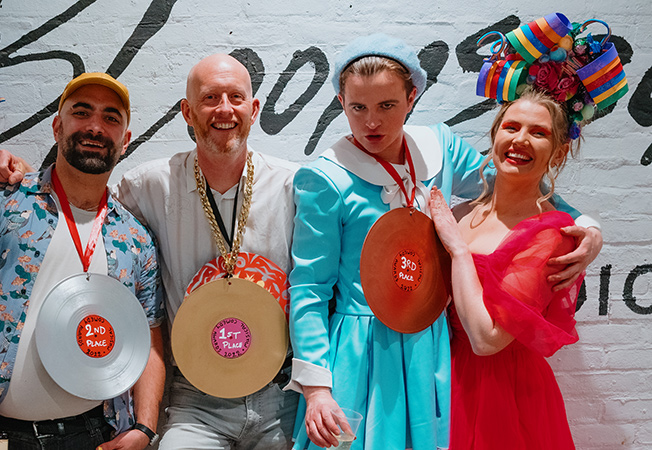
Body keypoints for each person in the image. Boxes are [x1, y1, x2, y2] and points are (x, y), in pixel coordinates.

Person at [286, 34, 602, 450]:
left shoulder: (440, 148)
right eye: (357, 107)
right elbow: (309, 287)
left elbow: (512, 183)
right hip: (362, 350)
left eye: (387, 106)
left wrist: (584, 222)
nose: (372, 123)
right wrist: (316, 389)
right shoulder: (326, 178)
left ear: (412, 97)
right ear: (342, 102)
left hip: (431, 347)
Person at [0, 72, 165, 450]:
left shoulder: (135, 237)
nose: (95, 126)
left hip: (96, 435)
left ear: (125, 140)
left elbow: (150, 336)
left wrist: (145, 427)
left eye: (111, 118)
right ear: (58, 126)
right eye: (82, 112)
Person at [112, 53, 300, 449]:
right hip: (195, 397)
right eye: (211, 97)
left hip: (282, 389)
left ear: (254, 109)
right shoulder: (146, 188)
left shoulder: (293, 186)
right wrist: (21, 173)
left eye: (235, 97)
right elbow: (86, 207)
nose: (224, 109)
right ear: (187, 111)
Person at [429, 88, 584, 449]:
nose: (520, 140)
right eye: (511, 127)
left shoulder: (551, 234)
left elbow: (487, 340)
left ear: (558, 154)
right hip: (443, 378)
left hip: (504, 396)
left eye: (539, 132)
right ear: (495, 135)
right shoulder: (461, 214)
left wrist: (457, 249)